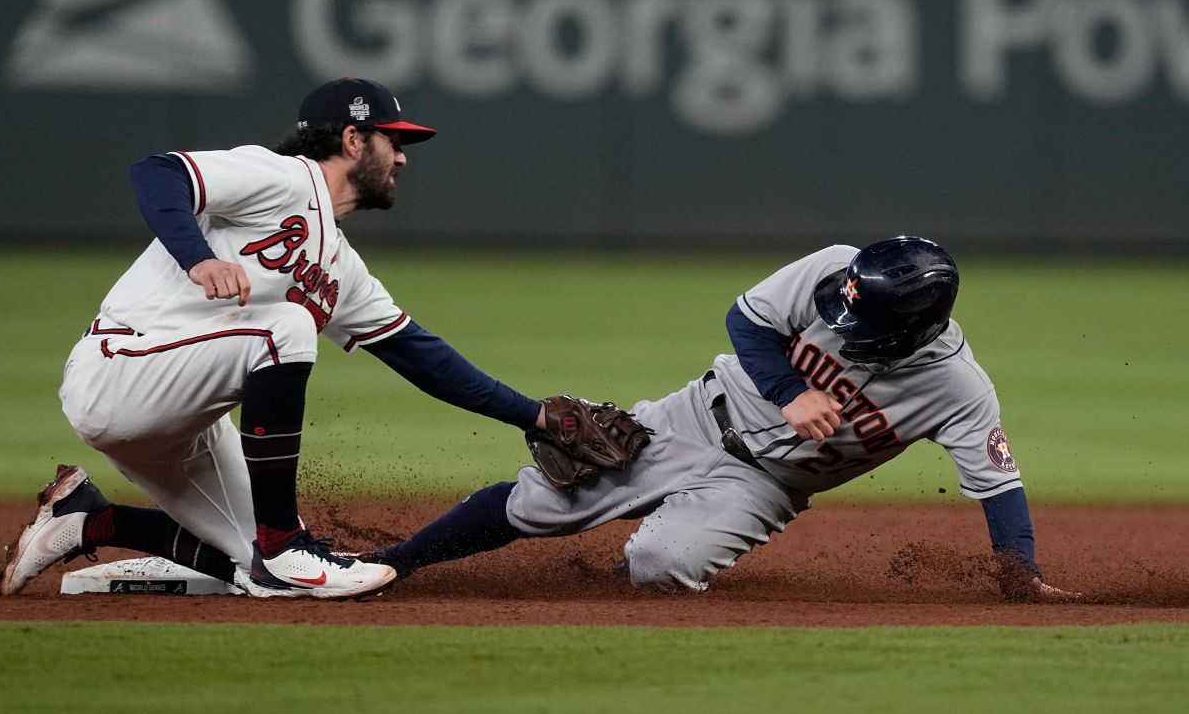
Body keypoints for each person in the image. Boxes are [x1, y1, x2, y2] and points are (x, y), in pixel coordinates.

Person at [0, 78, 554, 600]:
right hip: (119, 371)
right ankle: (284, 541)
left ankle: (88, 520)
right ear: (354, 139)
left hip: (183, 417)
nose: (404, 157)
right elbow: (156, 171)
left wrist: (538, 419)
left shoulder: (341, 266)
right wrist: (200, 259)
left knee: (262, 574)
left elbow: (419, 354)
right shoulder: (282, 176)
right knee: (284, 326)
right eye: (394, 141)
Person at [359, 237, 1079, 601]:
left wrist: (1025, 576)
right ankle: (393, 562)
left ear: (911, 328)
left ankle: (585, 597)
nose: (841, 312)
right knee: (539, 500)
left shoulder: (958, 388)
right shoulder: (836, 264)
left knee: (658, 565)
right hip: (699, 417)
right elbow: (748, 319)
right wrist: (792, 389)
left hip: (763, 486)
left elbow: (997, 485)